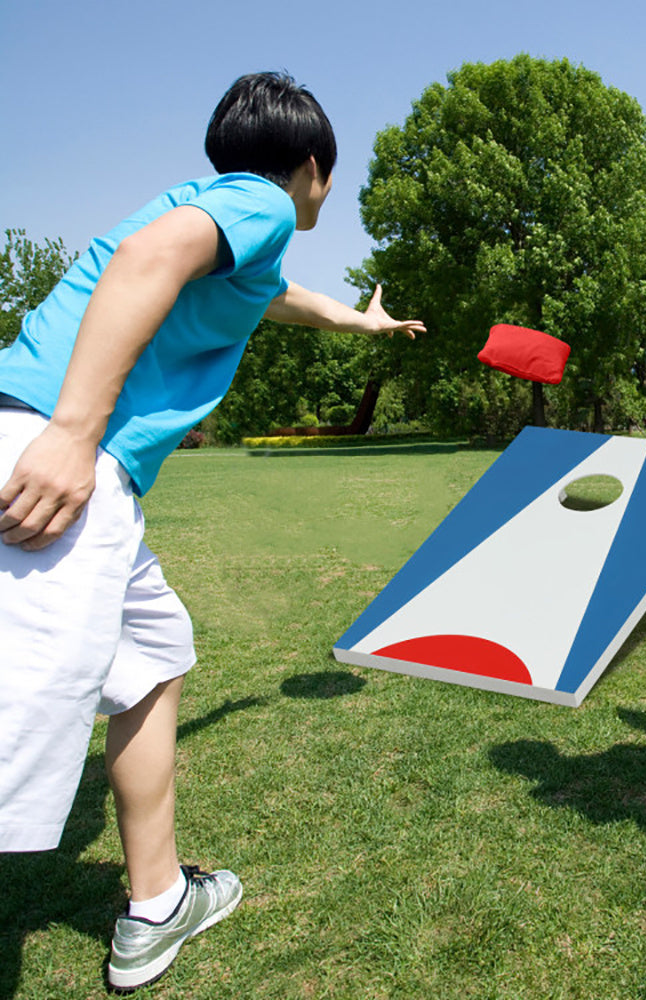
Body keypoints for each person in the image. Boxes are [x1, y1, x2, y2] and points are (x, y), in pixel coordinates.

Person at [0, 71, 424, 992]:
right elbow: (147, 266)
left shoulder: (225, 220)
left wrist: (358, 319)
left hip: (39, 438)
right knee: (12, 730)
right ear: (312, 168)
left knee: (154, 646)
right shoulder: (260, 205)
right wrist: (75, 431)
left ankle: (157, 904)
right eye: (326, 181)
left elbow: (272, 297)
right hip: (56, 449)